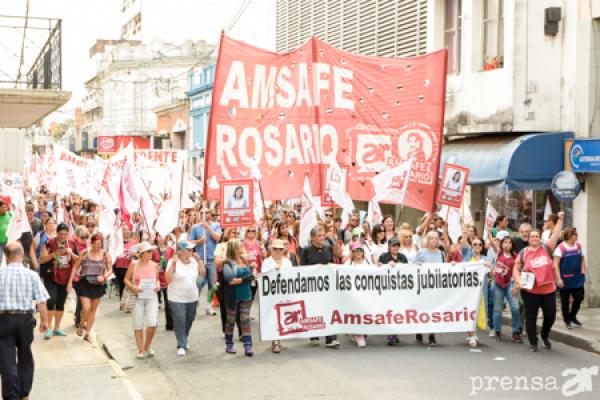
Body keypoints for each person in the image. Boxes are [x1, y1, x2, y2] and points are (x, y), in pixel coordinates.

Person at [0, 242, 50, 400]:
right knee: (25, 354)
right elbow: (41, 301)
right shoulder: (32, 275)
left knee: (7, 359)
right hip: (25, 319)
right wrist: (44, 321)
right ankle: (24, 392)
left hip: (4, 319)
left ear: (6, 256)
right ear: (21, 254)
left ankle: (11, 395)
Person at [513, 212, 564, 352]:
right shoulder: (523, 253)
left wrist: (560, 219)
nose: (534, 238)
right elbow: (516, 269)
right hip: (531, 291)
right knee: (531, 317)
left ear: (540, 237)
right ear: (528, 239)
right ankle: (533, 343)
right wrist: (518, 282)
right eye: (532, 236)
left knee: (550, 315)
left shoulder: (547, 248)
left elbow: (556, 234)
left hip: (548, 290)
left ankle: (544, 335)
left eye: (537, 236)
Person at [68, 232, 112, 342]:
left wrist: (104, 276)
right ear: (91, 243)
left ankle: (88, 332)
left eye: (99, 244)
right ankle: (82, 323)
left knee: (93, 309)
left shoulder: (106, 254)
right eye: (95, 244)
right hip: (84, 283)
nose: (97, 246)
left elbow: (110, 270)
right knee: (86, 308)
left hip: (98, 284)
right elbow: (75, 267)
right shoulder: (84, 253)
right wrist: (70, 282)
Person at [301, 226, 340, 348]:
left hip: (327, 286)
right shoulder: (306, 250)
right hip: (312, 286)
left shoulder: (328, 248)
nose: (322, 237)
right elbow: (301, 269)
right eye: (319, 235)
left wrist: (334, 242)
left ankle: (331, 338)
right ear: (312, 238)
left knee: (329, 310)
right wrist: (314, 268)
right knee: (314, 310)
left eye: (323, 235)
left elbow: (338, 255)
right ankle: (314, 334)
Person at [165, 240, 206, 356]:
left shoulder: (194, 261)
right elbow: (167, 279)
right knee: (180, 320)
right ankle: (181, 344)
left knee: (189, 319)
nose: (191, 251)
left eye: (192, 249)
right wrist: (172, 265)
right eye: (188, 249)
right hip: (176, 297)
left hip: (192, 296)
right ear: (181, 251)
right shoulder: (173, 261)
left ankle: (184, 338)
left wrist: (199, 261)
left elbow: (202, 274)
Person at [39, 222, 79, 339]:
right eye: (60, 234)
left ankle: (57, 328)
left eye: (65, 234)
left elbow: (78, 261)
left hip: (66, 277)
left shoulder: (71, 244)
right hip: (51, 276)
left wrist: (72, 254)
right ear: (57, 233)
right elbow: (41, 260)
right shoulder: (49, 243)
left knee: (61, 303)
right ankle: (49, 328)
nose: (63, 237)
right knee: (51, 300)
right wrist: (54, 254)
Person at [124, 242, 160, 359]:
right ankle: (140, 349)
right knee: (138, 323)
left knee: (152, 323)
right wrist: (133, 287)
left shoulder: (155, 265)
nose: (151, 253)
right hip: (137, 297)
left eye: (151, 251)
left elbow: (158, 280)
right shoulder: (133, 265)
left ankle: (147, 345)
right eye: (149, 251)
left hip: (151, 296)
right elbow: (126, 279)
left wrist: (158, 285)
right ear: (142, 253)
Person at [222, 239, 255, 356]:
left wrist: (252, 273)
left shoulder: (244, 259)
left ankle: (248, 345)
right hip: (233, 296)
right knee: (230, 320)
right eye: (240, 246)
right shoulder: (227, 263)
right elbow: (230, 280)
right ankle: (229, 344)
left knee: (245, 320)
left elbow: (250, 275)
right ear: (234, 248)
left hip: (246, 294)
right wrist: (244, 279)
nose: (242, 247)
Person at [489, 234, 522, 343]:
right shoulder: (498, 252)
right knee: (497, 309)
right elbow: (492, 241)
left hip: (510, 284)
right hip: (497, 284)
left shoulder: (516, 256)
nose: (507, 244)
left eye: (509, 242)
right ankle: (497, 331)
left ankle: (516, 332)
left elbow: (518, 270)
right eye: (505, 242)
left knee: (515, 307)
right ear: (502, 244)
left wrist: (517, 284)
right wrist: (488, 229)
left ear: (512, 245)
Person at [188, 209, 222, 316]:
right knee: (198, 283)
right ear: (199, 213)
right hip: (200, 260)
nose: (206, 214)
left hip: (212, 259)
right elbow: (189, 242)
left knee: (212, 285)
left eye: (208, 212)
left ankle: (209, 306)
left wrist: (208, 228)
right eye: (204, 212)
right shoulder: (195, 227)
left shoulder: (216, 225)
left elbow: (218, 238)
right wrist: (199, 241)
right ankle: (194, 305)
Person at [261, 239, 292, 353]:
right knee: (274, 316)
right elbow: (263, 276)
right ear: (271, 250)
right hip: (271, 294)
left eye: (280, 249)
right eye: (275, 249)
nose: (278, 251)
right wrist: (274, 271)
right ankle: (275, 340)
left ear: (283, 250)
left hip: (284, 293)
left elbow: (292, 276)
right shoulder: (266, 262)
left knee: (283, 316)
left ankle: (280, 337)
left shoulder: (288, 262)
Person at [414, 231, 444, 346]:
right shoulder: (421, 252)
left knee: (435, 310)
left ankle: (432, 335)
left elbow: (444, 268)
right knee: (422, 309)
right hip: (423, 286)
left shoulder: (441, 253)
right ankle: (419, 330)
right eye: (432, 238)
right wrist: (418, 265)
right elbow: (413, 266)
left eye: (436, 238)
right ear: (427, 240)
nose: (434, 241)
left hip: (436, 287)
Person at [553, 227, 586, 329]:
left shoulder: (579, 246)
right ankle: (567, 320)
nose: (576, 236)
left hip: (577, 278)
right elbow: (555, 265)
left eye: (576, 234)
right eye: (574, 234)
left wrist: (583, 270)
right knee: (565, 301)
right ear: (569, 236)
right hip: (565, 279)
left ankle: (573, 317)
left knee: (580, 297)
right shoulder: (561, 248)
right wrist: (558, 279)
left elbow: (582, 259)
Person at [378, 238, 408, 346]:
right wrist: (386, 265)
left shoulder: (403, 257)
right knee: (389, 311)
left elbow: (407, 270)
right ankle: (391, 335)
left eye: (397, 245)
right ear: (389, 247)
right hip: (387, 288)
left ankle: (395, 333)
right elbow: (378, 268)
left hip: (400, 288)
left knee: (398, 311)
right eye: (393, 245)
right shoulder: (383, 256)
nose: (395, 247)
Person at [152, 233, 175, 330]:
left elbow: (174, 263)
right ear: (156, 238)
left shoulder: (171, 249)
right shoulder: (152, 250)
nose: (161, 238)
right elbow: (150, 262)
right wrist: (156, 266)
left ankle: (170, 325)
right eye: (159, 236)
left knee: (168, 304)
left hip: (167, 280)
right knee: (153, 304)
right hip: (155, 279)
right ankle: (152, 323)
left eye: (163, 235)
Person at [114, 224, 138, 309]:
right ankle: (122, 303)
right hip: (119, 266)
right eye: (124, 230)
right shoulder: (117, 242)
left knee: (131, 285)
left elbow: (138, 255)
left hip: (131, 266)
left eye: (127, 230)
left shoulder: (134, 242)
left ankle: (131, 304)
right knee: (122, 285)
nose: (126, 232)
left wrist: (135, 254)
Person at [243, 225, 264, 299]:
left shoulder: (260, 243)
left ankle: (247, 309)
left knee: (252, 295)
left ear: (256, 232)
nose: (251, 232)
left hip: (256, 274)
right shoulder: (241, 243)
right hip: (244, 273)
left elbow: (264, 256)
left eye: (253, 230)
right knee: (244, 296)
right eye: (249, 230)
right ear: (246, 232)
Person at [0, 200, 11, 264]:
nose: (5, 209)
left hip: (7, 242)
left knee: (9, 258)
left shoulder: (9, 215)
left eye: (5, 207)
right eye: (3, 207)